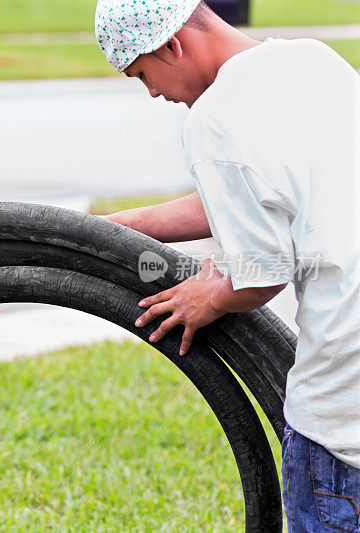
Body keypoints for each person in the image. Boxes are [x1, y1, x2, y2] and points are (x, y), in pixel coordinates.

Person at [93, 0, 360, 530]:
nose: (152, 93)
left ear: (173, 45)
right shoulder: (314, 63)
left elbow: (262, 271)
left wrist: (207, 295)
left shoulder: (216, 120)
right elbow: (266, 192)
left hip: (340, 422)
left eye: (143, 73)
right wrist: (136, 223)